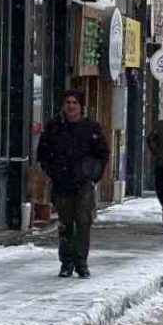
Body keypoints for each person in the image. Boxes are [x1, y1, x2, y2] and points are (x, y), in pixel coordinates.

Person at [36, 89, 110, 279]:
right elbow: (43, 153)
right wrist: (53, 172)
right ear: (63, 106)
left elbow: (103, 153)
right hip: (62, 183)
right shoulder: (54, 128)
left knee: (83, 222)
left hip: (84, 184)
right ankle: (66, 262)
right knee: (66, 223)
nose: (71, 106)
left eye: (74, 103)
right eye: (68, 102)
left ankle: (81, 262)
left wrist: (93, 175)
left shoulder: (91, 128)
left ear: (80, 106)